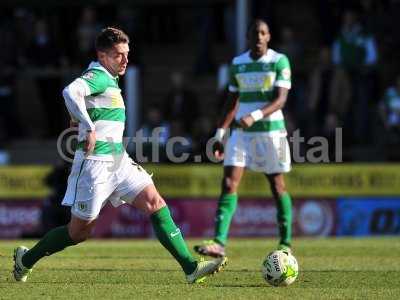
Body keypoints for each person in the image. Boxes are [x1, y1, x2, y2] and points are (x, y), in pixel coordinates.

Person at [13, 27, 226, 284]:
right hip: (95, 165)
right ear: (102, 56)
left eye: (127, 54)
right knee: (79, 232)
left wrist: (84, 119)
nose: (125, 60)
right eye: (118, 55)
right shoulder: (99, 75)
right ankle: (25, 260)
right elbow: (70, 92)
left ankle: (191, 268)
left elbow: (84, 104)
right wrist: (89, 127)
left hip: (118, 160)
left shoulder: (108, 78)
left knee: (155, 202)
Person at [194, 19, 293, 257]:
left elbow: (280, 99)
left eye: (263, 33)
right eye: (255, 33)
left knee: (277, 185)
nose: (259, 37)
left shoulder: (279, 61)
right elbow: (231, 102)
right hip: (241, 133)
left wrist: (255, 115)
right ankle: (218, 242)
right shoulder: (238, 64)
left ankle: (286, 243)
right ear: (248, 37)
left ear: (269, 37)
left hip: (271, 132)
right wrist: (220, 134)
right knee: (228, 183)